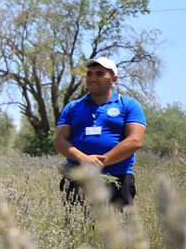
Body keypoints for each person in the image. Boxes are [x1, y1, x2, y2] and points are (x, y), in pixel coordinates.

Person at [53, 56, 145, 208]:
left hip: (117, 178)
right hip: (78, 177)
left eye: (100, 74)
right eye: (89, 74)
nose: (93, 78)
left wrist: (101, 162)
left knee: (119, 229)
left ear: (113, 78)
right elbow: (59, 141)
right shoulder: (72, 107)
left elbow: (135, 140)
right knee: (78, 228)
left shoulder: (129, 105)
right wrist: (83, 159)